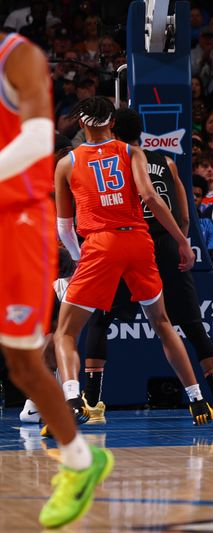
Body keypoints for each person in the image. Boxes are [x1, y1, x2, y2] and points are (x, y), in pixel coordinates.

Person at [0, 31, 113, 529]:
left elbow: (37, 136)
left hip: (20, 224)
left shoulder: (17, 54)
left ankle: (80, 462)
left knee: (25, 366)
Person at [53, 96, 213, 434]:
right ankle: (196, 398)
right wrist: (183, 241)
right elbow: (152, 198)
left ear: (81, 124)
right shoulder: (131, 152)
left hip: (100, 243)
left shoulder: (67, 163)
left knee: (66, 332)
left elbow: (64, 228)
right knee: (162, 323)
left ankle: (72, 398)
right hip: (139, 242)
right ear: (112, 123)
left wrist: (80, 258)